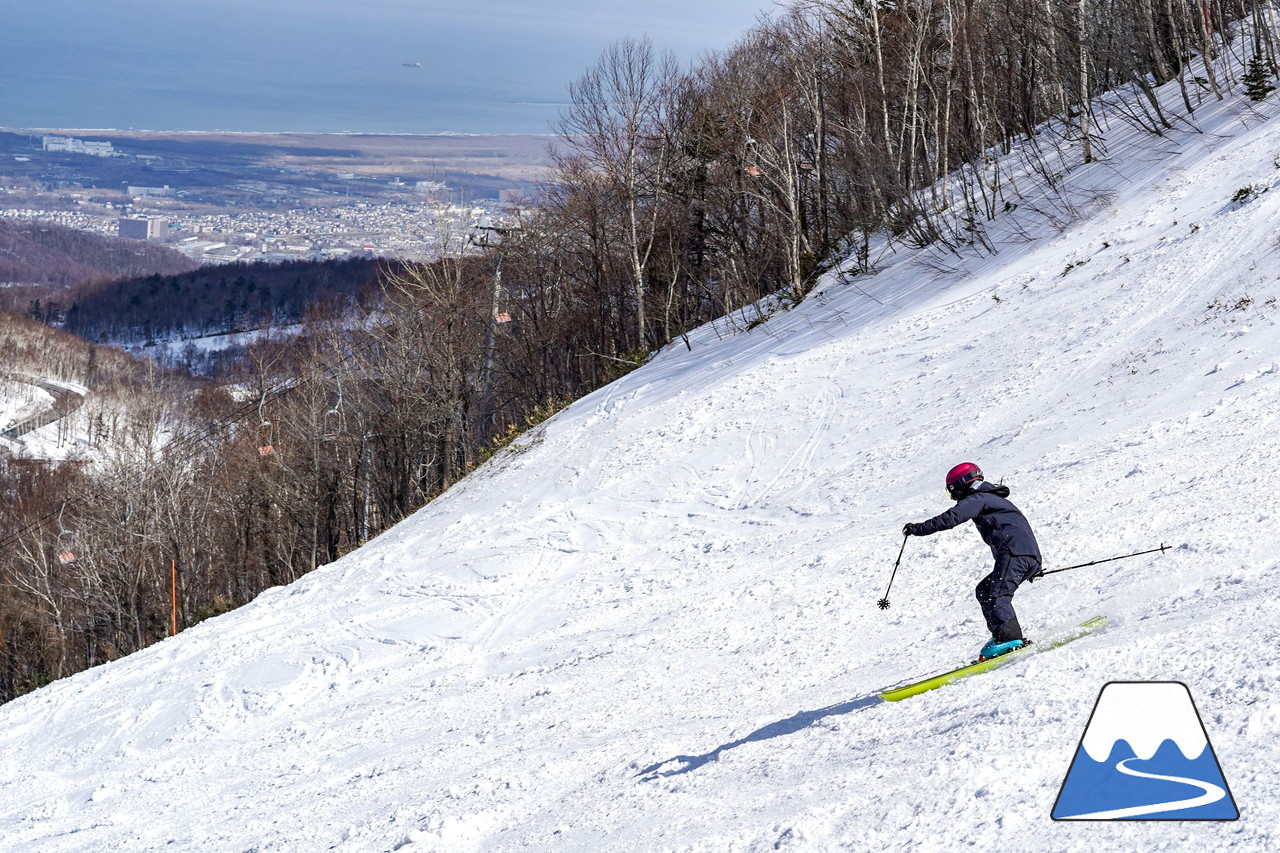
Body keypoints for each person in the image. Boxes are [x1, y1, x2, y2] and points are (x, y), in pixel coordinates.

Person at [902, 462, 1042, 660]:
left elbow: (951, 518)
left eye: (951, 491)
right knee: (985, 590)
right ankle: (1002, 636)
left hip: (1014, 554)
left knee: (998, 593)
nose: (953, 497)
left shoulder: (979, 498)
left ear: (961, 484)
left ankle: (1011, 640)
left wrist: (917, 528)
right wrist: (1030, 563)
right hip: (1023, 555)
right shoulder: (992, 499)